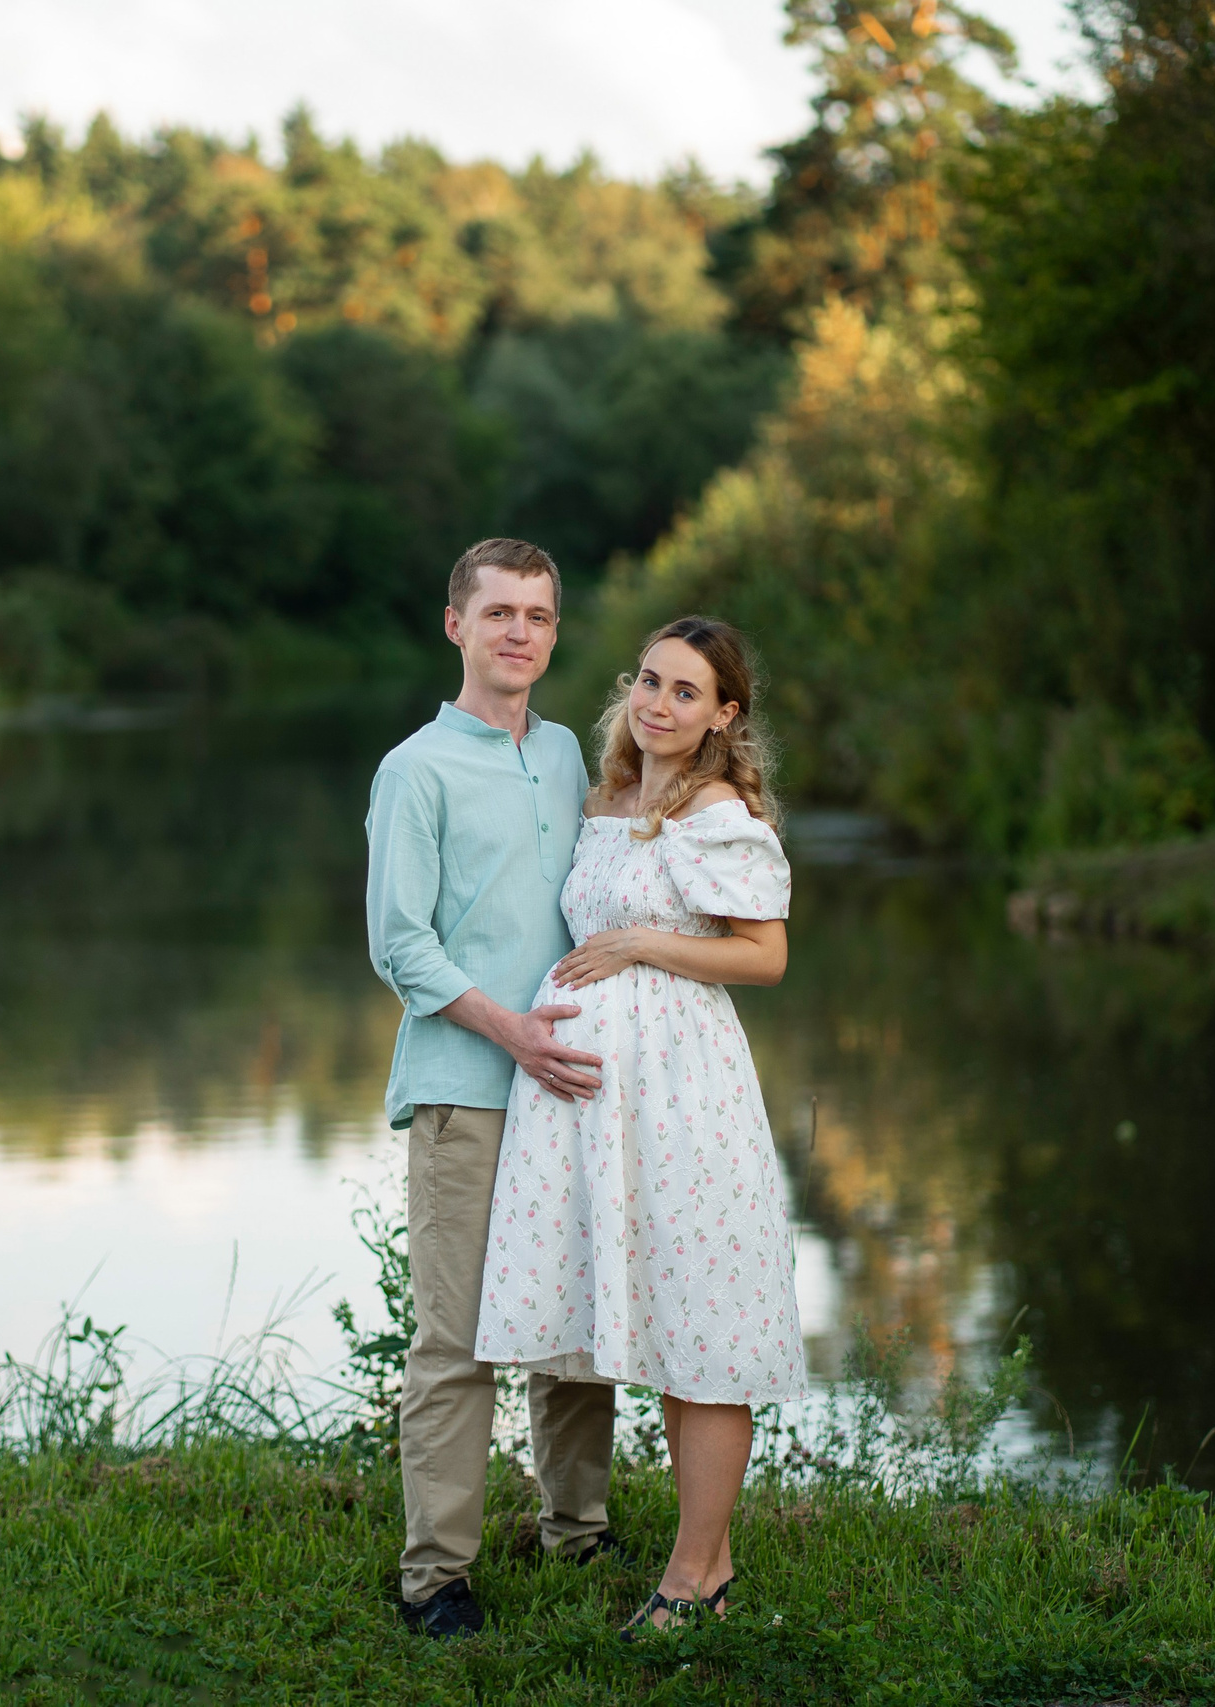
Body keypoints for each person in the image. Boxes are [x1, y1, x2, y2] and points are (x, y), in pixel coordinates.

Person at [473, 615, 806, 1635]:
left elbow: (764, 956)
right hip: (592, 1107)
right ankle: (704, 1561)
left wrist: (642, 946)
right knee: (666, 1324)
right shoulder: (608, 799)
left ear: (723, 716)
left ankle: (692, 1579)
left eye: (685, 692)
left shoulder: (716, 813)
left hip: (685, 1097)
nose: (658, 705)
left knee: (704, 1326)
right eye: (649, 683)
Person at [364, 538, 623, 1640]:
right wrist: (506, 1029)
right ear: (455, 625)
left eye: (541, 616)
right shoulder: (413, 768)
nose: (521, 631)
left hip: (567, 1083)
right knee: (457, 1341)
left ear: (555, 634)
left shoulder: (569, 752)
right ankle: (437, 1578)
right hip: (469, 1084)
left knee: (574, 1325)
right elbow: (398, 945)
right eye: (501, 612)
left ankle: (578, 1530)